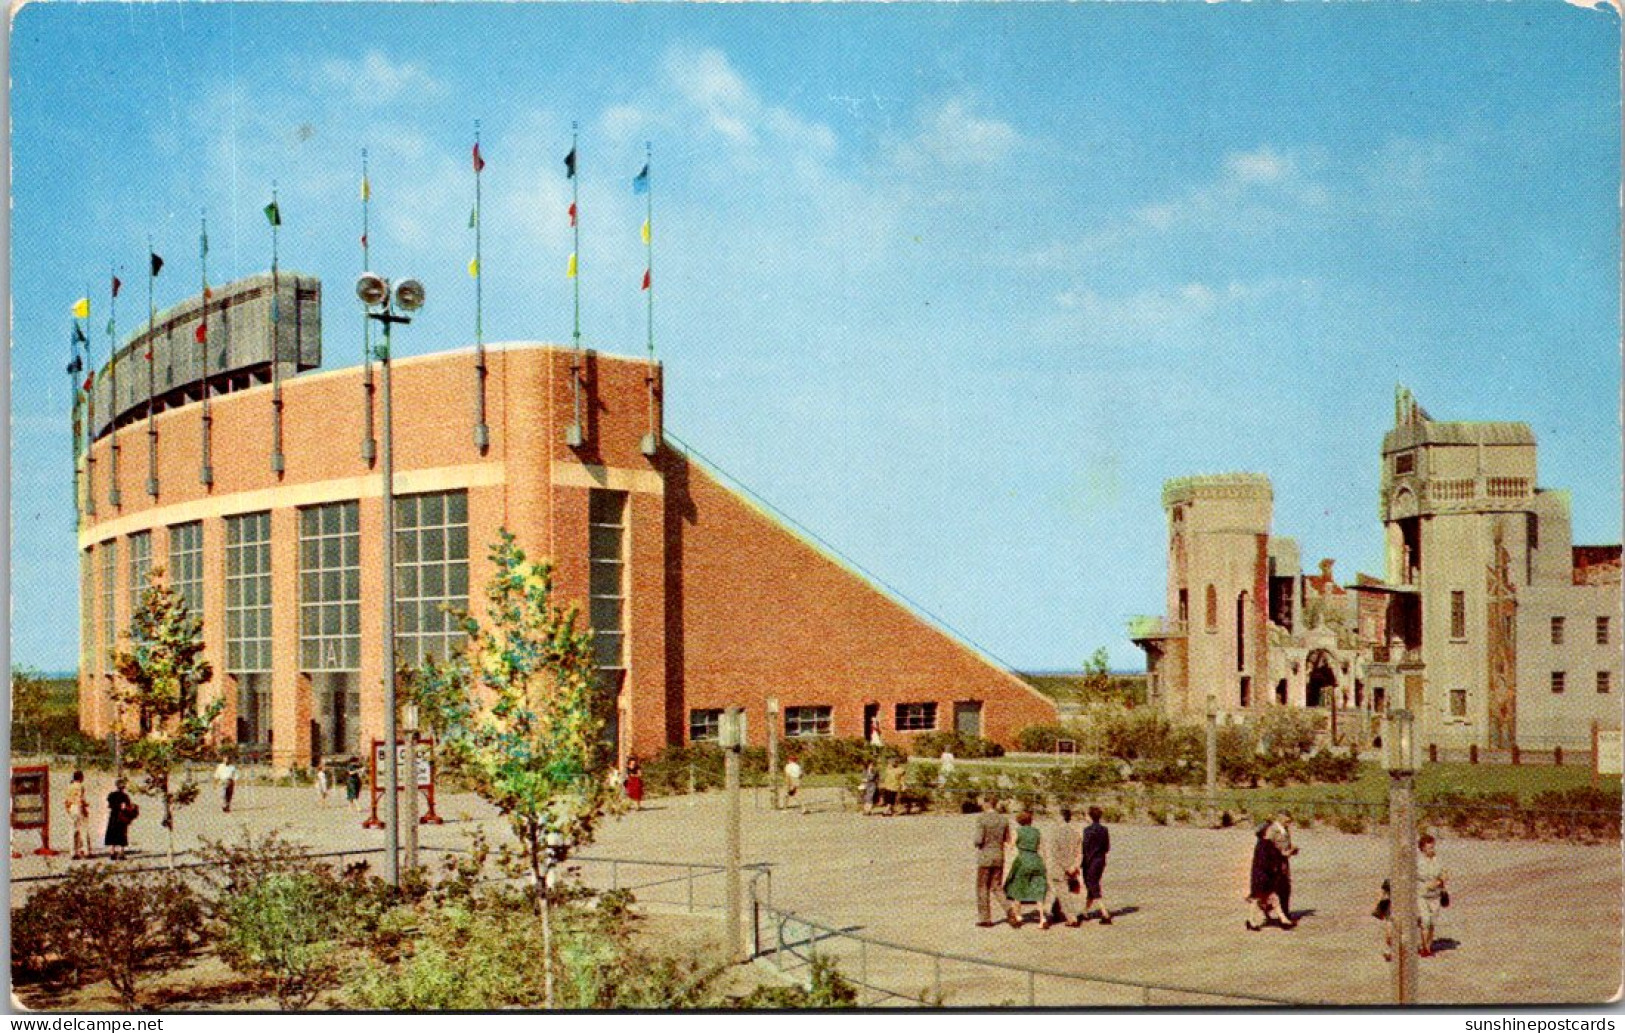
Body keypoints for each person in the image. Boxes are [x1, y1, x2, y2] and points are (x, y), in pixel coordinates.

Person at [1003, 810, 1048, 926]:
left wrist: (1004, 842)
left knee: (1017, 887)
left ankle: (1018, 916)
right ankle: (1043, 918)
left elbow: (1011, 846)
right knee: (1038, 888)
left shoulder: (1018, 831)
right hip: (1036, 859)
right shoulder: (1037, 832)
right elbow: (1042, 848)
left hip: (1023, 859)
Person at [1044, 806, 1085, 927]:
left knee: (1062, 892)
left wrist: (1066, 866)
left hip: (1060, 868)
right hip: (1072, 867)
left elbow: (1056, 853)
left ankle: (1071, 918)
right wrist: (1075, 865)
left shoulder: (1055, 833)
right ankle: (1055, 912)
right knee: (1060, 891)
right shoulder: (1075, 833)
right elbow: (1080, 851)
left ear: (1061, 818)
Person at [973, 796, 1009, 927]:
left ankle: (985, 918)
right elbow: (1007, 838)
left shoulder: (982, 819)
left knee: (982, 887)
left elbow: (978, 840)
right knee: (997, 886)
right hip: (999, 856)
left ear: (988, 803)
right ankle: (1009, 909)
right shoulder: (1003, 819)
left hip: (985, 857)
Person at [1246, 818, 1284, 930]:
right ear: (1264, 832)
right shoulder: (1263, 845)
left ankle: (1283, 919)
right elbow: (1264, 863)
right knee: (1260, 899)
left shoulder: (1266, 844)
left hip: (1263, 876)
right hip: (1262, 876)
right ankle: (1252, 921)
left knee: (1269, 898)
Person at [1080, 804, 1113, 925]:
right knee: (1092, 885)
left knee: (1093, 886)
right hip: (1101, 860)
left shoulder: (1087, 831)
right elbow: (1107, 847)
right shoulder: (1104, 830)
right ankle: (1085, 911)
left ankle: (1105, 913)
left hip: (1090, 861)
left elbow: (1085, 848)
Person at [1266, 812, 1299, 927]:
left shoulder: (1285, 830)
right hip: (1274, 863)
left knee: (1285, 888)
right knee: (1273, 889)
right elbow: (1267, 847)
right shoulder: (1272, 830)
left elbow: (1286, 845)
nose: (1288, 823)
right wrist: (1283, 853)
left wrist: (1292, 850)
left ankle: (1284, 913)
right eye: (1287, 820)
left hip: (1284, 863)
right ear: (1280, 818)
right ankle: (1279, 915)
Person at [1417, 833, 1448, 956]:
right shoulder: (1417, 862)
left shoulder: (1438, 860)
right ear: (1423, 848)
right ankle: (1425, 948)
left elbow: (1445, 874)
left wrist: (1439, 882)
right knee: (1425, 921)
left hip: (1435, 895)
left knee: (1432, 922)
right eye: (1430, 847)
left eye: (1433, 847)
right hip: (1421, 895)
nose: (1432, 849)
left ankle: (1428, 946)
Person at [64, 770, 92, 859]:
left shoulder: (69, 786)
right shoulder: (80, 786)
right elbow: (80, 798)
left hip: (72, 807)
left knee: (73, 830)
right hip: (78, 807)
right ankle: (86, 850)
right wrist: (84, 807)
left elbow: (67, 800)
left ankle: (73, 852)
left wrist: (68, 809)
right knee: (83, 829)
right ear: (80, 777)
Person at [104, 778, 134, 861]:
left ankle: (112, 852)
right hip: (121, 817)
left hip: (113, 816)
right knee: (122, 834)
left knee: (112, 833)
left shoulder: (111, 795)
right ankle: (121, 853)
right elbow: (126, 807)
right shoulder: (125, 796)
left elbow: (109, 805)